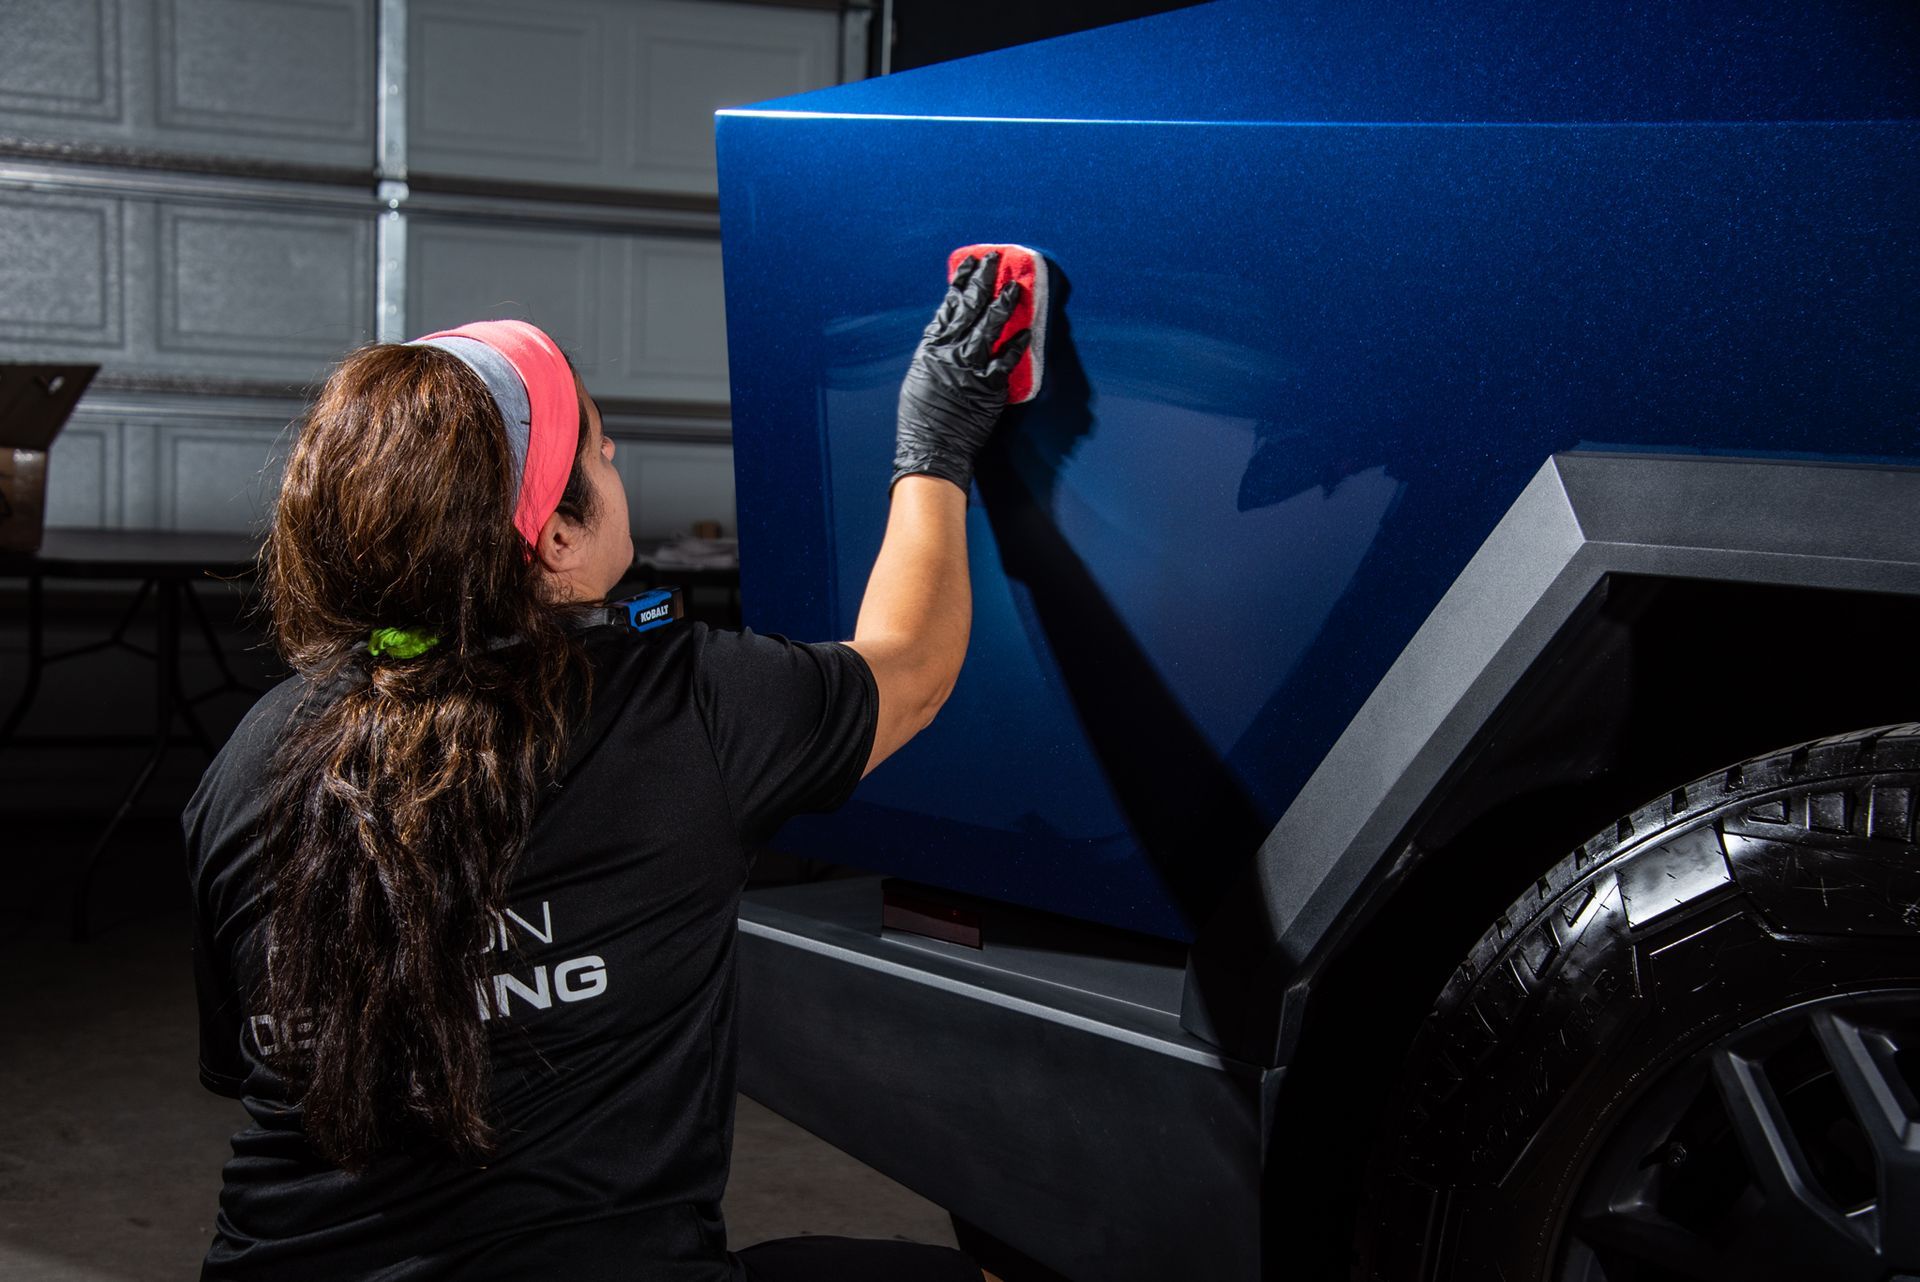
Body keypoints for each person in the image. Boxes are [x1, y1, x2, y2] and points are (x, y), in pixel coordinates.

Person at [184, 255, 1031, 1281]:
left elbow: (256, 1072)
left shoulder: (249, 762)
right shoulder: (679, 708)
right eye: (598, 445)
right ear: (551, 540)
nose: (616, 454)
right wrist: (934, 443)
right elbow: (916, 667)